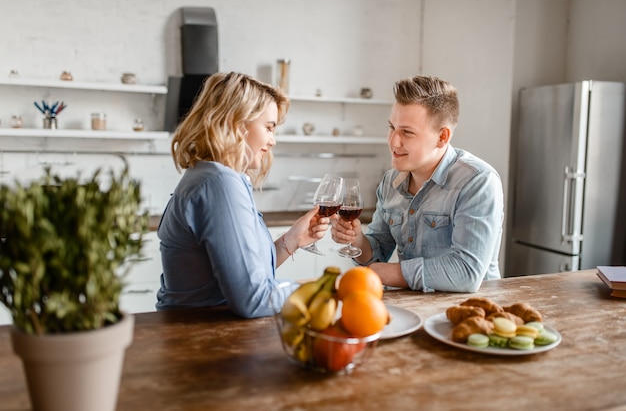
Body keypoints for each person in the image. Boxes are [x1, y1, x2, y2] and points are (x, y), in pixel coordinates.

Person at [156, 72, 330, 318]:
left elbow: (243, 274)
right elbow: (254, 299)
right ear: (237, 123)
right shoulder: (219, 184)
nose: (272, 141)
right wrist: (325, 291)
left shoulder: (213, 177)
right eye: (269, 128)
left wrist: (293, 239)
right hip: (201, 340)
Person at [331, 75, 504, 293]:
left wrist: (382, 273)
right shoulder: (390, 182)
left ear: (442, 137)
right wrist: (357, 239)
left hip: (473, 314)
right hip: (413, 309)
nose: (393, 141)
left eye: (407, 132)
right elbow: (376, 254)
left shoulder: (478, 181)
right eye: (392, 127)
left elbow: (466, 272)